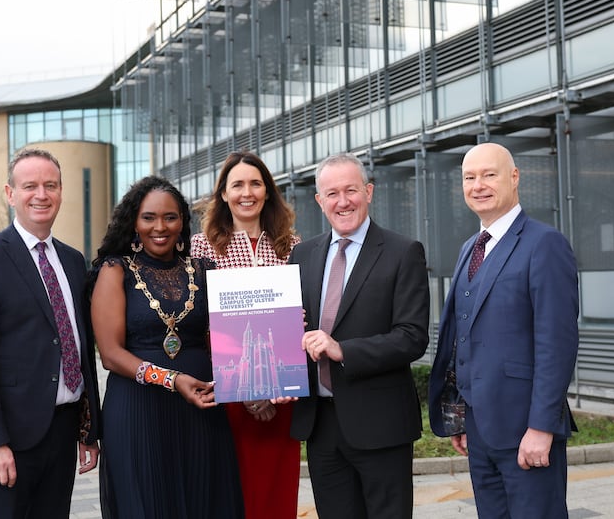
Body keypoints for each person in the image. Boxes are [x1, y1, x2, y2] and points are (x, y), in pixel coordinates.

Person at [428, 142, 579, 518]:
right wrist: (460, 416)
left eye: (489, 174)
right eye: (469, 177)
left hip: (526, 430)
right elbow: (464, 339)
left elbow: (556, 345)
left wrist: (542, 428)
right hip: (480, 430)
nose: (478, 185)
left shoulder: (544, 244)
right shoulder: (469, 248)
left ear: (514, 178)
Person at [0, 148, 102, 519]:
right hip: (9, 439)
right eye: (30, 186)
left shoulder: (72, 260)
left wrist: (89, 427)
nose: (41, 194)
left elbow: (80, 347)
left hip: (62, 431)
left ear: (61, 192)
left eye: (50, 185)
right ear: (10, 194)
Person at [88, 175, 244, 519]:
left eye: (170, 217)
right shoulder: (115, 270)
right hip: (137, 411)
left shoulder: (204, 270)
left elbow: (233, 336)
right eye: (149, 217)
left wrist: (285, 330)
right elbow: (110, 355)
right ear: (133, 222)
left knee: (208, 503)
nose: (160, 227)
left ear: (183, 222)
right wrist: (173, 380)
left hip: (203, 409)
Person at [289, 152, 430, 519]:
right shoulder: (301, 256)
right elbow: (292, 331)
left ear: (368, 192)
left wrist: (343, 350)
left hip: (380, 424)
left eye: (351, 190)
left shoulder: (403, 252)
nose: (343, 201)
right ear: (320, 201)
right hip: (321, 425)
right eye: (332, 193)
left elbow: (412, 337)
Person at [190, 151, 301, 519]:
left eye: (256, 183)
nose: (247, 192)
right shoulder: (202, 247)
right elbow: (196, 318)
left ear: (268, 191)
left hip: (282, 393)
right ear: (223, 193)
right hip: (226, 392)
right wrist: (248, 388)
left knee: (276, 488)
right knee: (231, 491)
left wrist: (273, 385)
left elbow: (303, 315)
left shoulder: (292, 246)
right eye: (237, 184)